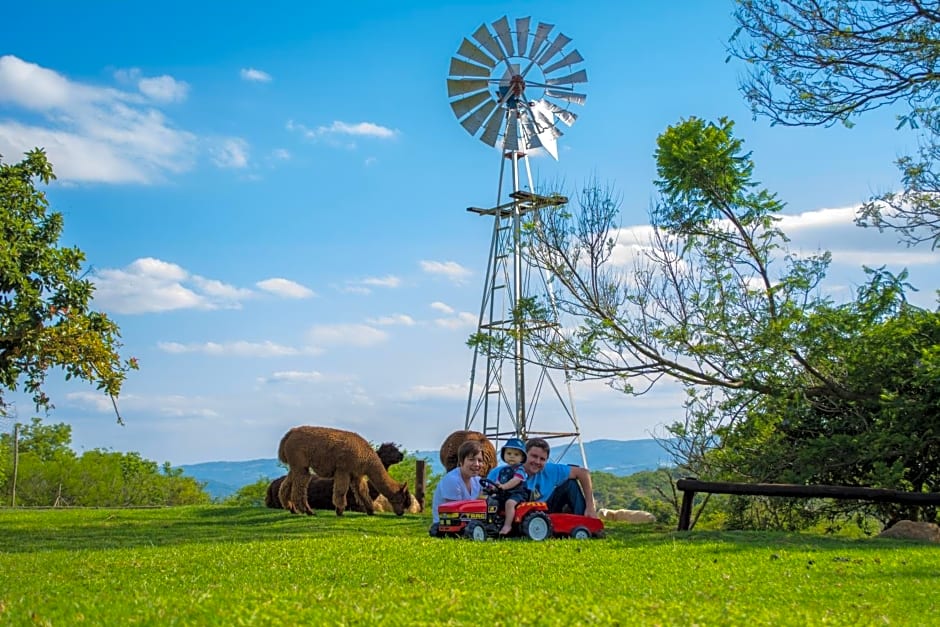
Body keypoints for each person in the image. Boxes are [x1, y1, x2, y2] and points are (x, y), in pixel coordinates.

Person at [487, 436, 597, 518]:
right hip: (512, 510)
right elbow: (484, 495)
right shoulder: (499, 473)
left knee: (570, 483)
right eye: (534, 456)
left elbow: (583, 473)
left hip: (545, 508)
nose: (537, 462)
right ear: (524, 455)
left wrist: (590, 506)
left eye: (542, 459)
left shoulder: (550, 470)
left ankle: (585, 521)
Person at [429, 439, 484, 536]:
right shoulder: (452, 480)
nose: (476, 464)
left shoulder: (478, 481)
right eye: (471, 459)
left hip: (469, 523)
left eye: (479, 460)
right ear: (461, 462)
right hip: (450, 524)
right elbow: (454, 512)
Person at [492, 437, 529, 535]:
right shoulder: (502, 470)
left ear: (522, 458)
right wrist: (494, 487)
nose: (512, 456)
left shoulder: (520, 470)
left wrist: (504, 486)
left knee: (509, 503)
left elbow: (515, 480)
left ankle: (507, 525)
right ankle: (493, 522)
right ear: (504, 455)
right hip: (504, 494)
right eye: (509, 453)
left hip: (518, 494)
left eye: (516, 454)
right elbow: (498, 482)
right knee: (491, 501)